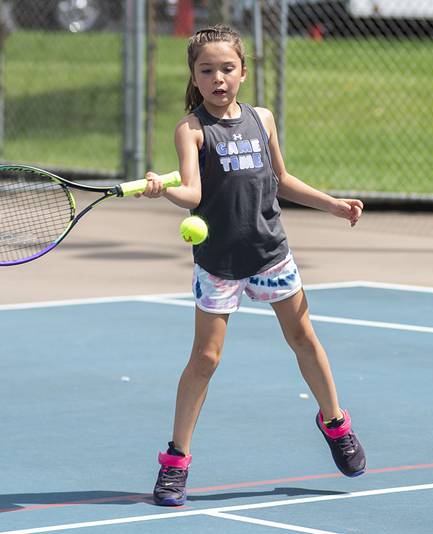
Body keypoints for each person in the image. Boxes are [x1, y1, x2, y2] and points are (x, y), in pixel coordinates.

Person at [138, 25, 367, 507]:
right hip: (219, 261)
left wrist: (332, 205)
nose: (218, 78)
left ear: (243, 71)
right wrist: (164, 189)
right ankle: (175, 462)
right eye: (206, 70)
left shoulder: (262, 119)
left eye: (227, 68)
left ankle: (335, 422)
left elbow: (281, 179)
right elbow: (193, 193)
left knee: (304, 339)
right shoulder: (192, 129)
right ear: (194, 77)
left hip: (271, 253)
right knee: (205, 359)